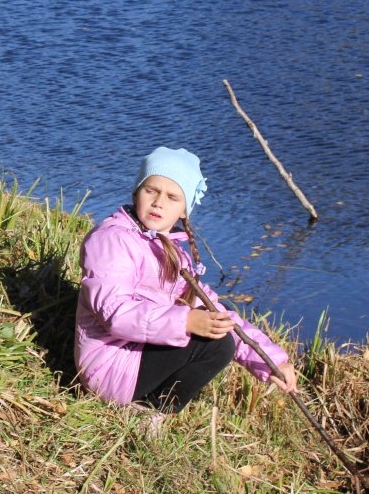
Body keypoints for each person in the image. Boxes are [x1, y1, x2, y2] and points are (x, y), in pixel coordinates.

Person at [74, 146, 298, 422]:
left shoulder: (172, 251)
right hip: (108, 365)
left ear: (184, 211)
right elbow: (116, 315)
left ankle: (150, 412)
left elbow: (217, 311)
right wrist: (186, 322)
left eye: (172, 197)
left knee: (219, 330)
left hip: (135, 357)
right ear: (136, 193)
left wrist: (271, 361)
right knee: (214, 345)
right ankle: (151, 411)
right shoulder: (113, 240)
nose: (158, 203)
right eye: (151, 190)